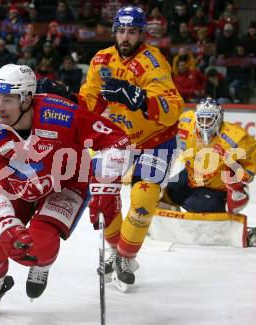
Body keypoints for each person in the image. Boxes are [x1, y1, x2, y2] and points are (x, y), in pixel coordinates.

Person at [0, 64, 131, 313]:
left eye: (8, 99)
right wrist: (6, 224)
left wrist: (108, 185)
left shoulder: (62, 114)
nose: (0, 108)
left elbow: (117, 140)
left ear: (26, 98)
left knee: (40, 247)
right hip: (20, 189)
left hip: (66, 184)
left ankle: (42, 264)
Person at [79, 6, 184, 288]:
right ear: (115, 31)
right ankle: (115, 249)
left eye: (133, 32)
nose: (126, 37)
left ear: (141, 34)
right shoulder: (101, 60)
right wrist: (63, 100)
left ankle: (126, 256)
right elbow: (90, 101)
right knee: (101, 202)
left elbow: (173, 109)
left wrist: (138, 98)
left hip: (156, 139)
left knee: (144, 198)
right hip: (117, 139)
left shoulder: (154, 61)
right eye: (122, 31)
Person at [163, 98, 256, 218]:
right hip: (191, 176)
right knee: (165, 193)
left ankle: (237, 196)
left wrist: (241, 178)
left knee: (197, 207)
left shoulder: (235, 137)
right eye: (201, 119)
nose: (204, 123)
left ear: (218, 119)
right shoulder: (186, 123)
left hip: (218, 186)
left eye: (209, 119)